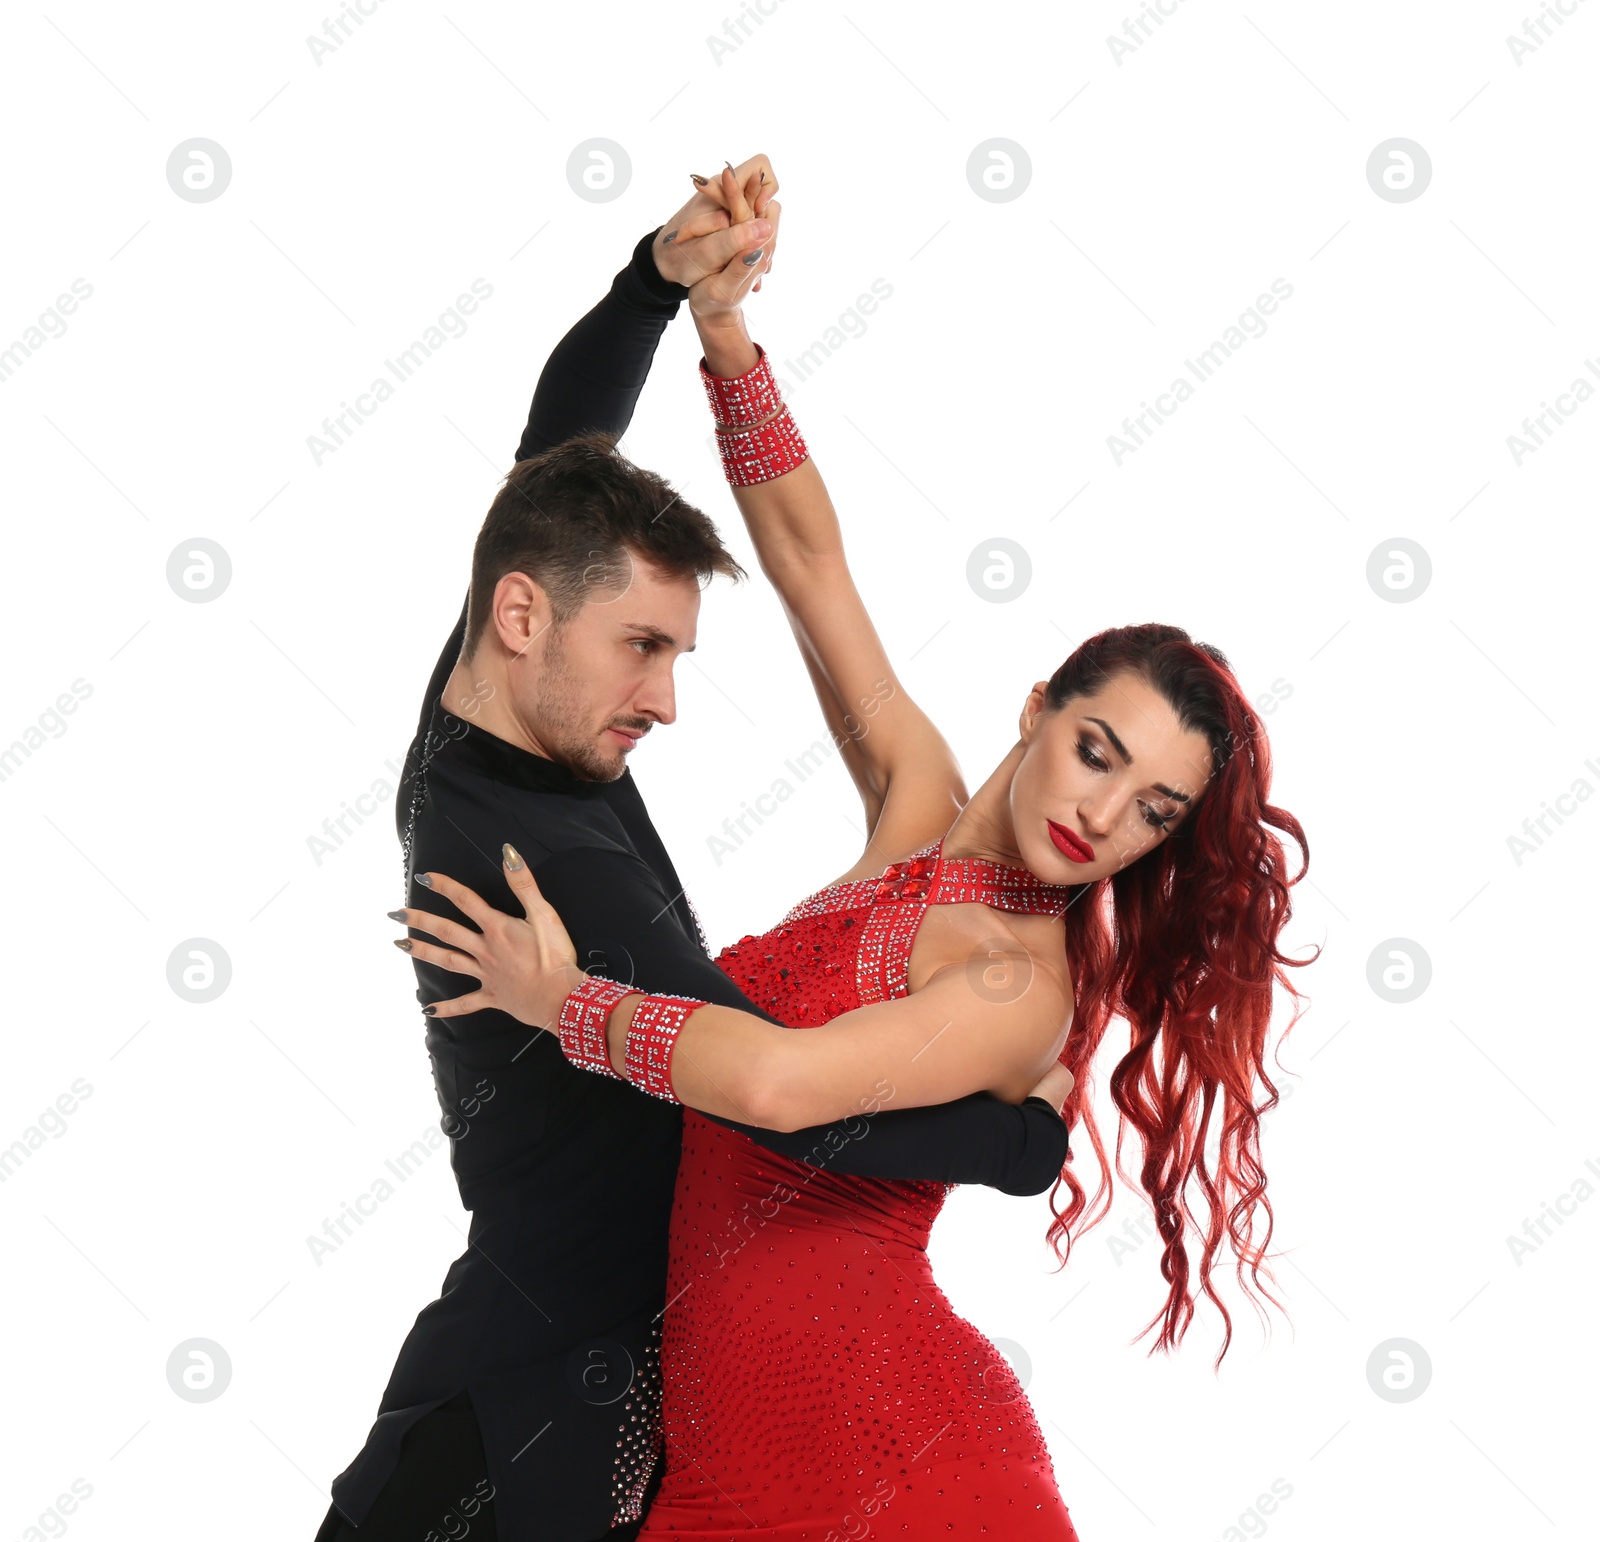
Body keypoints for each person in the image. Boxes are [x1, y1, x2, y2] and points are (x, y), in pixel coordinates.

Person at [406, 168, 1312, 1537]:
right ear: (1039, 709)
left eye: (1155, 812)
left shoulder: (1023, 984)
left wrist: (562, 1004)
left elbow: (773, 1079)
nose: (1102, 816)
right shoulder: (916, 796)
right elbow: (810, 561)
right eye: (1099, 753)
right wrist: (726, 337)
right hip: (720, 1444)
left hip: (879, 1443)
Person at [315, 156, 1074, 1542]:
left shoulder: (489, 693)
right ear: (528, 618)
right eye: (645, 650)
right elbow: (776, 1092)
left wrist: (659, 291)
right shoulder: (539, 869)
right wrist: (1024, 1138)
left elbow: (575, 454)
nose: (666, 699)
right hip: (547, 1394)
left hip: (662, 1386)